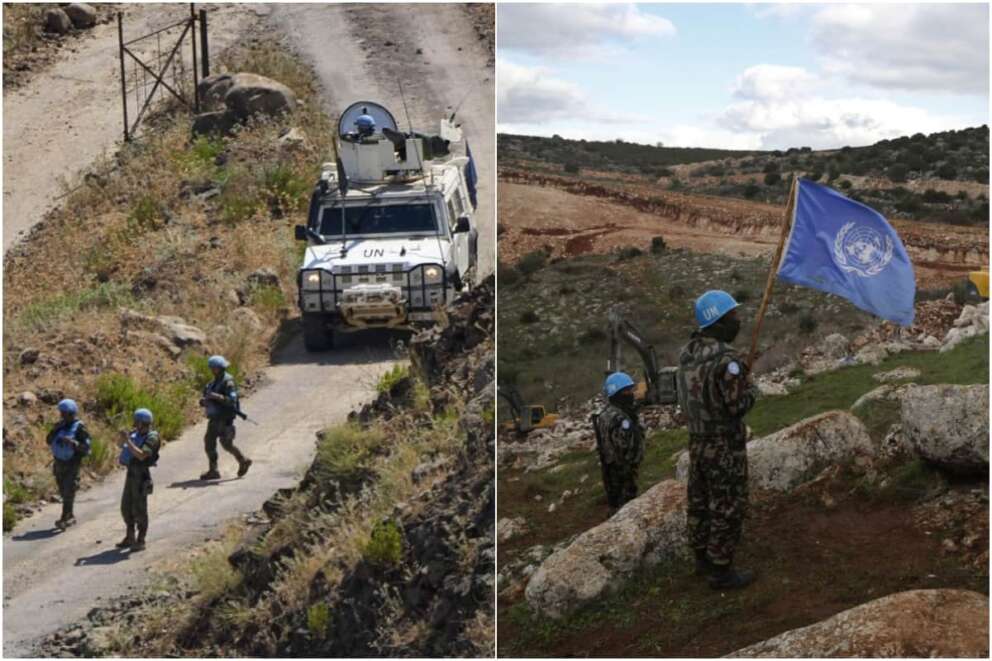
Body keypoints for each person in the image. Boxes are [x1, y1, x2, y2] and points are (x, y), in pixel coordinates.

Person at [677, 290, 758, 590]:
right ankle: (721, 570)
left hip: (696, 441)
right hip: (724, 445)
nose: (737, 322)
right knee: (727, 504)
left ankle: (701, 558)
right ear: (718, 321)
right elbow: (737, 406)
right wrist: (750, 386)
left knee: (699, 502)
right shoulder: (728, 360)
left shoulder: (686, 354)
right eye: (732, 317)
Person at [591, 372, 645, 514]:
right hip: (622, 472)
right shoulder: (620, 418)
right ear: (617, 394)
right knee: (627, 509)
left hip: (609, 469)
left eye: (630, 390)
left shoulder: (604, 414)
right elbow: (625, 447)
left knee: (615, 503)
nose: (630, 394)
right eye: (626, 391)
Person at [199, 355, 251, 480]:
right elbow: (207, 397)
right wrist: (204, 401)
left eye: (214, 368)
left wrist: (216, 396)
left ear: (219, 368)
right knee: (210, 443)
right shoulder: (213, 382)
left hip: (223, 418)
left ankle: (242, 461)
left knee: (225, 444)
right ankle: (214, 469)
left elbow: (231, 401)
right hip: (215, 417)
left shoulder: (228, 382)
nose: (212, 370)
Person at [116, 408, 160, 552]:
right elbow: (120, 446)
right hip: (131, 473)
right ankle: (130, 536)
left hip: (141, 475)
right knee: (126, 507)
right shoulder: (135, 435)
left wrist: (128, 441)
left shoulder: (152, 437)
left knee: (140, 509)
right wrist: (123, 438)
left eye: (137, 422)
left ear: (143, 423)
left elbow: (141, 455)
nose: (134, 424)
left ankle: (140, 540)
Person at [46, 399, 91, 529]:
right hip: (59, 463)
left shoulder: (80, 428)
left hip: (72, 463)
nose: (62, 416)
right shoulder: (59, 425)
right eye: (62, 413)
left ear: (72, 413)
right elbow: (48, 440)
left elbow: (86, 448)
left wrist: (73, 443)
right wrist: (54, 431)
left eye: (65, 413)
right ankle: (70, 515)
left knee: (68, 489)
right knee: (62, 490)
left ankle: (64, 517)